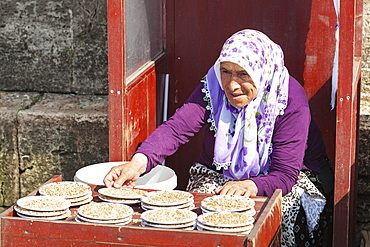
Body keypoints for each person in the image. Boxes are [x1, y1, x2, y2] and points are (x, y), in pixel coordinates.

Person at [104, 29, 333, 246]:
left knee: (283, 218)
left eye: (243, 74)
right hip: (222, 173)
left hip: (291, 177)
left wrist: (251, 186)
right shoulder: (213, 86)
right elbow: (177, 128)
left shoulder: (289, 100)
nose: (232, 85)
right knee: (200, 213)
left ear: (261, 71)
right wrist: (137, 163)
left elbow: (285, 174)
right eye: (226, 71)